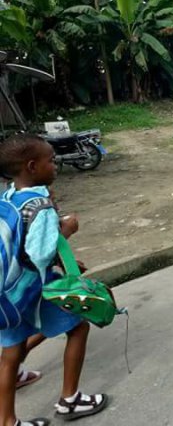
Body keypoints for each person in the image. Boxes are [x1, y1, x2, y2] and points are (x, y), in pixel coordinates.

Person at [0, 134, 107, 426]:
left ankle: (7, 420)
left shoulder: (9, 195)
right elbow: (40, 252)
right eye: (50, 160)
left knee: (10, 352)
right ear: (32, 166)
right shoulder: (41, 205)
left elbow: (21, 242)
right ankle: (70, 400)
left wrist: (67, 259)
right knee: (78, 327)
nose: (56, 163)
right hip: (33, 289)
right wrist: (67, 229)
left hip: (7, 294)